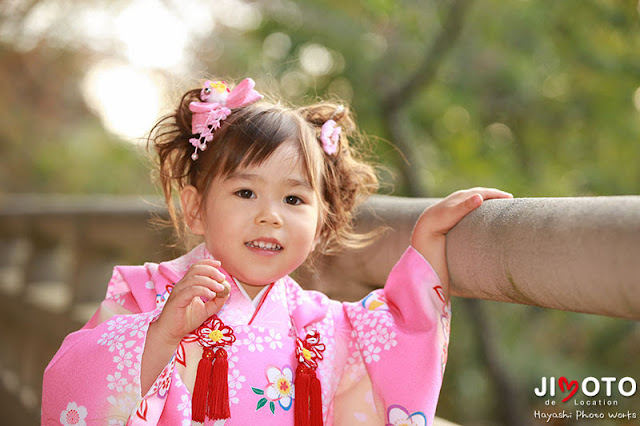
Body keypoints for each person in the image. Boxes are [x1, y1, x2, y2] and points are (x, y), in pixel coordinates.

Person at [42, 77, 512, 425]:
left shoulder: (323, 324)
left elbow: (399, 339)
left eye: (293, 199)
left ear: (320, 220)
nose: (271, 216)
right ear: (195, 208)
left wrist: (426, 245)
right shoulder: (146, 294)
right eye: (245, 193)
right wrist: (161, 334)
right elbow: (70, 388)